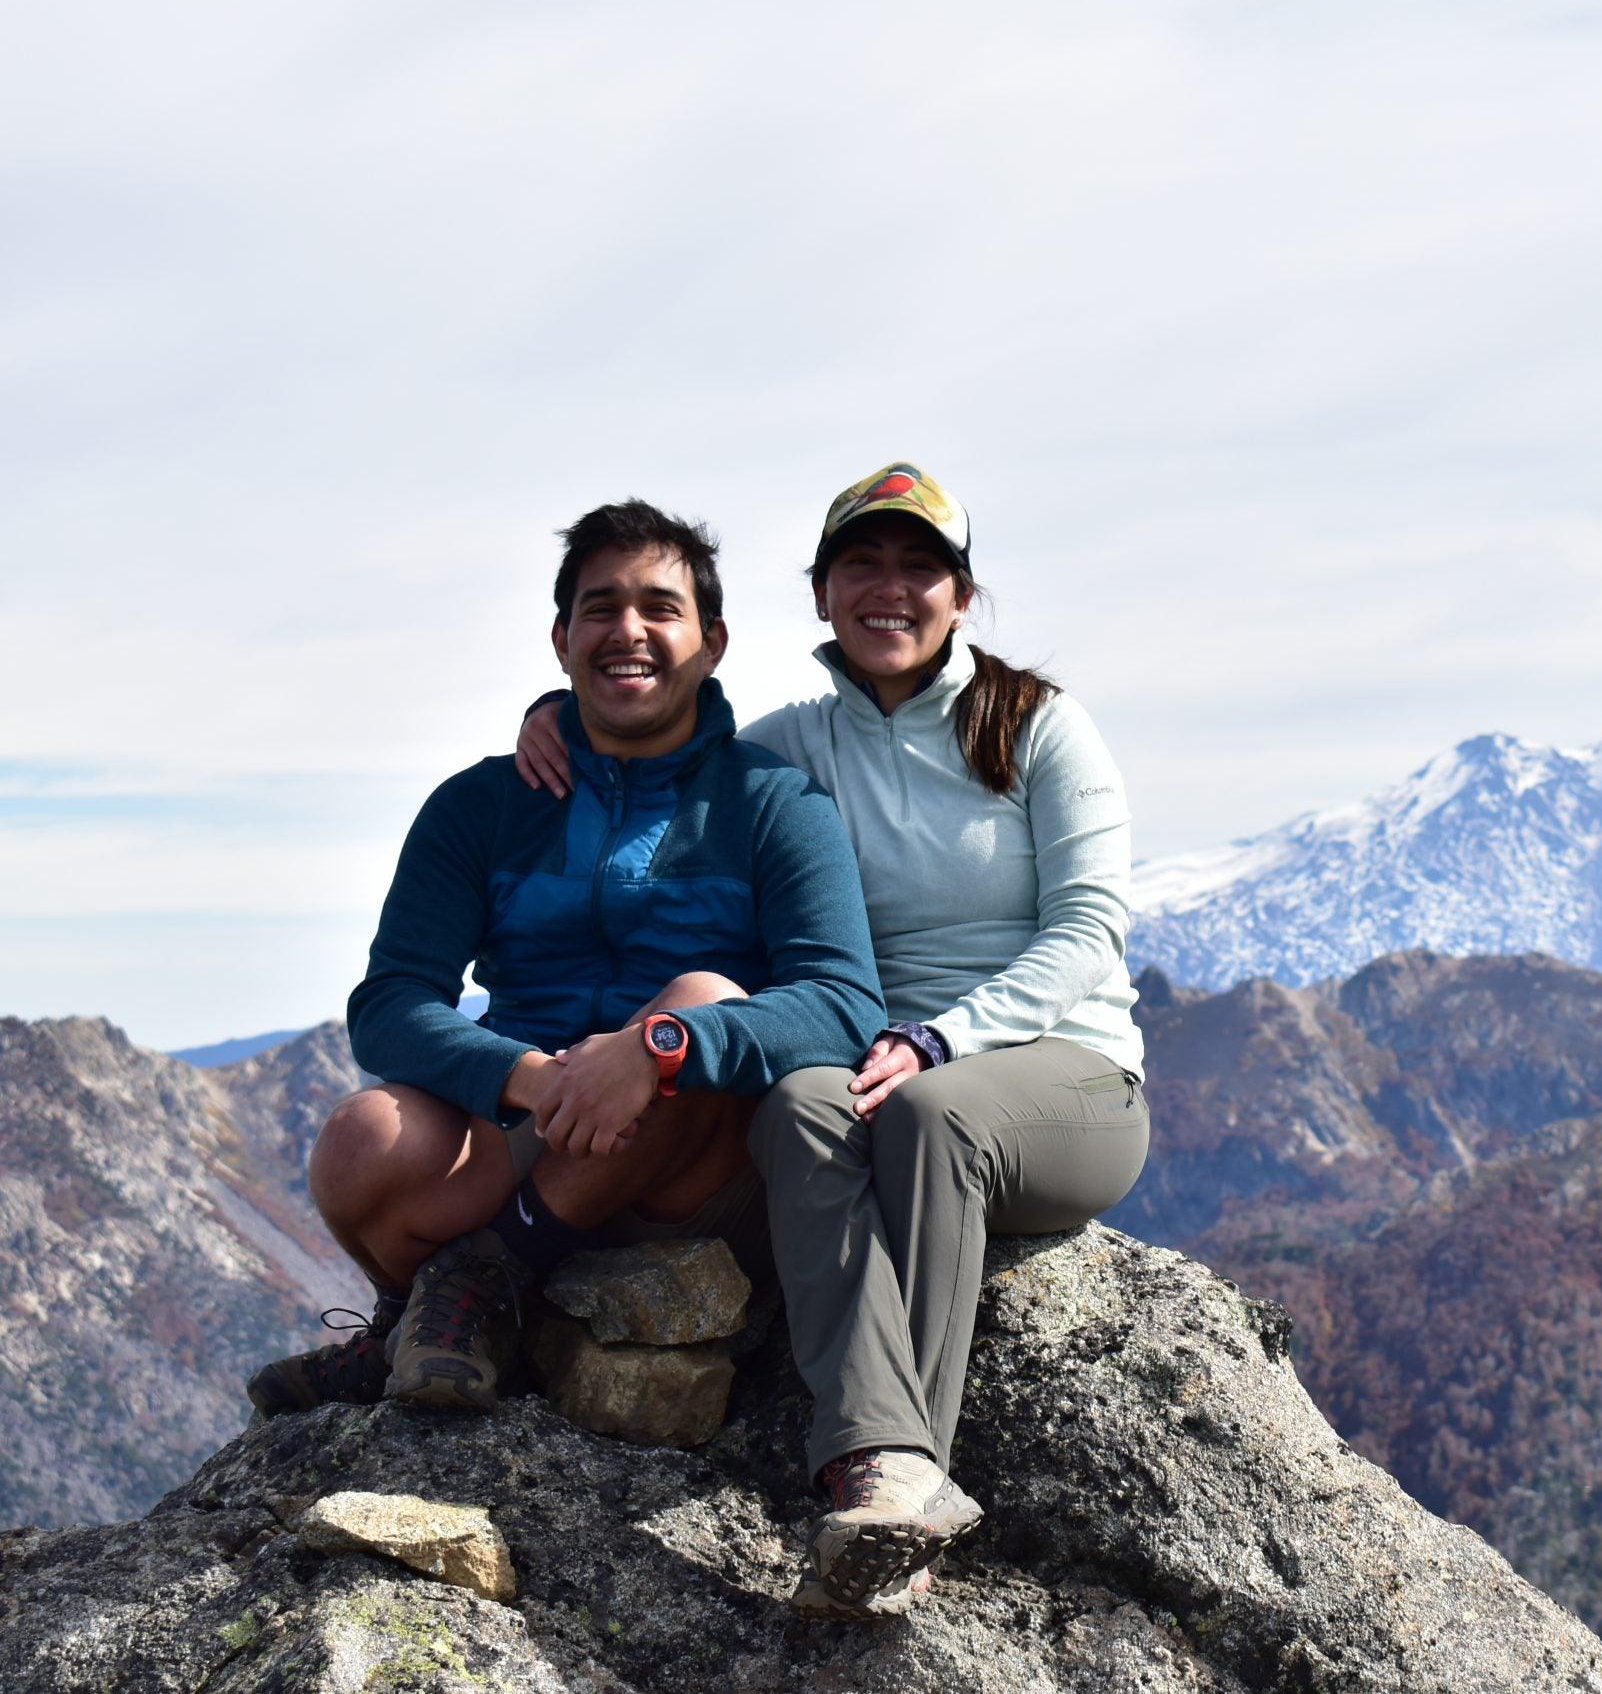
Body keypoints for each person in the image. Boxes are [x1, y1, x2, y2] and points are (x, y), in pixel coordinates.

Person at [513, 462, 1148, 1613]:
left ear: (961, 596)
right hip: (882, 1067)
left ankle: (908, 1497)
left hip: (1068, 1079)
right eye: (863, 563)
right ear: (821, 592)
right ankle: (875, 1469)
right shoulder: (795, 748)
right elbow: (660, 758)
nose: (889, 588)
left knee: (929, 1114)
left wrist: (944, 1037)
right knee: (801, 1104)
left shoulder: (1038, 728)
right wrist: (560, 718)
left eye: (920, 567)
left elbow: (1090, 930)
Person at [249, 500, 885, 1420]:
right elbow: (390, 1002)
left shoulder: (774, 804)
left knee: (704, 996)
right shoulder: (479, 805)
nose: (628, 629)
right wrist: (527, 1076)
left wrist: (659, 1048)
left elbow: (844, 1002)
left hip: (691, 1163)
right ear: (561, 640)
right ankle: (461, 1311)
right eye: (600, 607)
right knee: (360, 1140)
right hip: (532, 1121)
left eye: (660, 607)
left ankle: (474, 1285)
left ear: (712, 642)